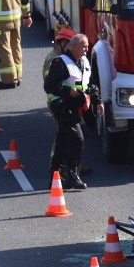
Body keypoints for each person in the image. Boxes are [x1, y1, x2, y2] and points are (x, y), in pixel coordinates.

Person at [44, 34, 103, 189]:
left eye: (87, 47)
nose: (87, 49)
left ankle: (55, 176)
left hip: (76, 106)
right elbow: (49, 86)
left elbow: (91, 85)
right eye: (84, 46)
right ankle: (72, 175)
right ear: (74, 46)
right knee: (77, 138)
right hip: (61, 104)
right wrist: (67, 91)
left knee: (63, 139)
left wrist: (98, 102)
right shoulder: (60, 62)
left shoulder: (85, 62)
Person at [43, 27, 76, 174]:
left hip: (66, 101)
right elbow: (51, 84)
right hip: (58, 102)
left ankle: (71, 164)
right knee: (63, 134)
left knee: (71, 134)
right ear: (62, 43)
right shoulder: (54, 60)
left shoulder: (62, 57)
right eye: (70, 45)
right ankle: (57, 168)